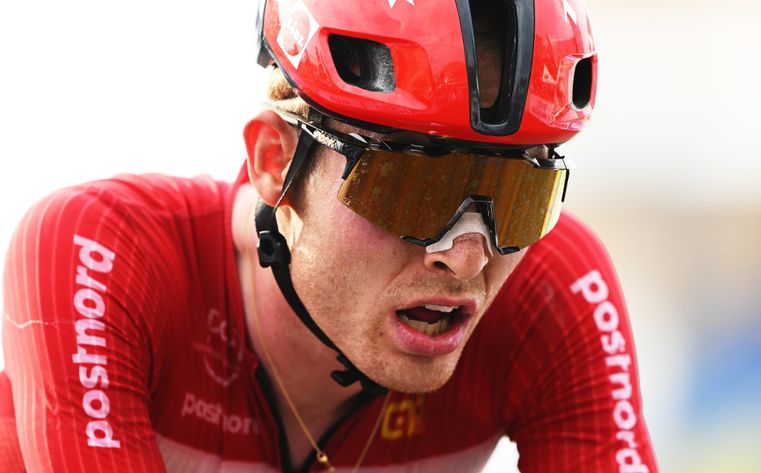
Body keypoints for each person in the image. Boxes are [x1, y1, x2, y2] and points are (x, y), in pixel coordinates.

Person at [0, 0, 657, 471]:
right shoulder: (105, 253)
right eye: (412, 190)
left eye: (518, 199)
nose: (465, 255)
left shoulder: (551, 283)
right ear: (273, 161)